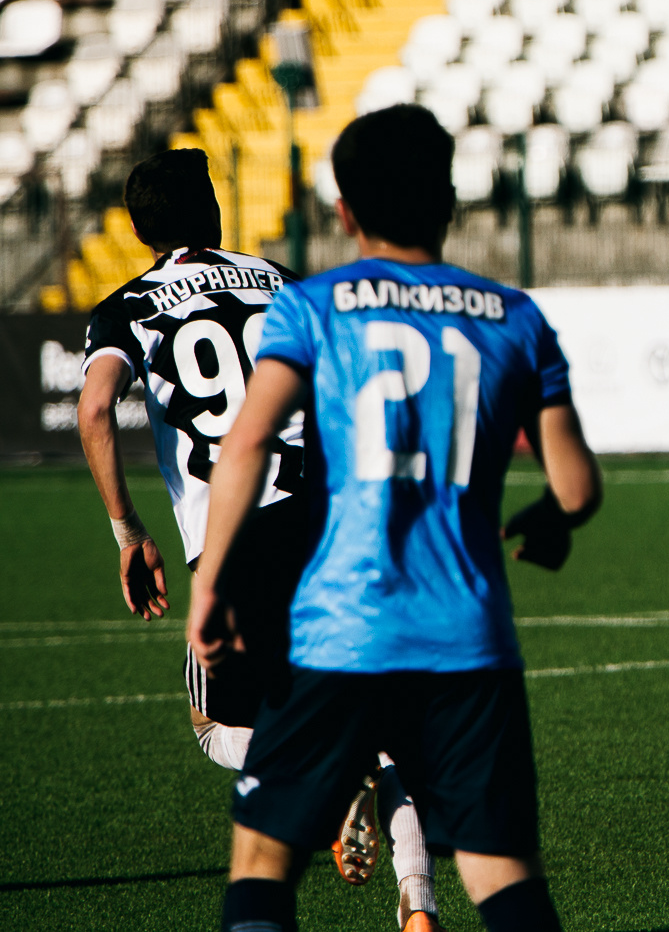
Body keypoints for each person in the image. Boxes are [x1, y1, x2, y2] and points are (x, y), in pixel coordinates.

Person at [188, 105, 604, 932]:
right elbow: (577, 485)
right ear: (450, 202)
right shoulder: (515, 318)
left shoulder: (311, 307)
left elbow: (246, 448)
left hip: (338, 630)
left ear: (344, 212)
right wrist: (551, 519)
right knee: (502, 873)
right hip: (467, 640)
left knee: (264, 858)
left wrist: (216, 580)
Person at [75, 148, 443, 929]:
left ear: (141, 230)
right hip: (331, 524)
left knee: (215, 727)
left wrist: (128, 529)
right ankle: (418, 902)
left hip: (233, 545)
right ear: (210, 212)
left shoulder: (126, 307)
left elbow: (97, 409)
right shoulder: (279, 279)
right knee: (376, 719)